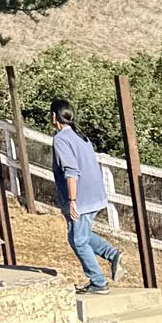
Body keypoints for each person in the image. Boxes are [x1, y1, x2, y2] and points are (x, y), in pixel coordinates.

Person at [49, 100, 124, 293]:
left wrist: (73, 201)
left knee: (78, 240)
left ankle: (98, 282)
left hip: (80, 197)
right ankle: (112, 255)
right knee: (81, 234)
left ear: (55, 116)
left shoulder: (61, 138)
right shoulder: (81, 136)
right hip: (95, 194)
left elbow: (71, 171)